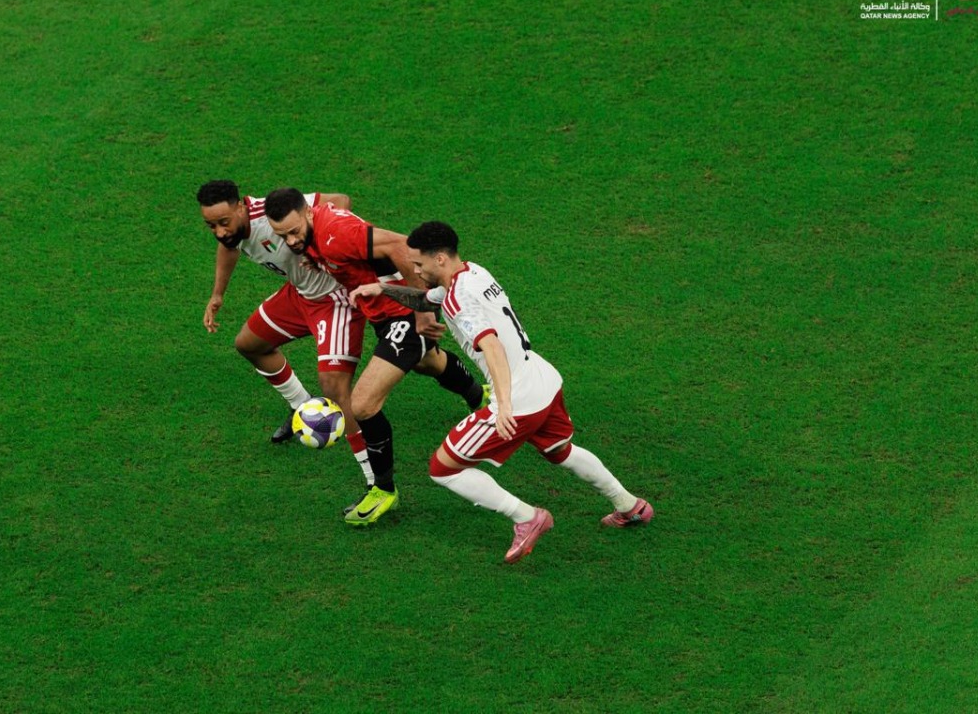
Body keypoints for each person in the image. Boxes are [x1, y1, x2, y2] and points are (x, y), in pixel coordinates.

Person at [350, 221, 653, 564]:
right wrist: (381, 288)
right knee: (560, 450)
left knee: (443, 468)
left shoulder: (458, 299)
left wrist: (504, 406)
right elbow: (425, 298)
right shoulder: (473, 273)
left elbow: (491, 346)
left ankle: (527, 517)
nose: (415, 271)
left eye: (419, 264)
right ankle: (630, 505)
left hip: (518, 396)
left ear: (440, 259)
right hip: (542, 378)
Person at [264, 189, 487, 526]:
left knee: (362, 405)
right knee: (428, 362)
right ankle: (478, 396)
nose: (291, 241)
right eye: (283, 236)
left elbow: (400, 245)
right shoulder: (312, 233)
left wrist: (422, 307)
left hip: (403, 312)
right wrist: (313, 256)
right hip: (382, 314)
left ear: (308, 212)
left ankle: (383, 490)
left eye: (294, 232)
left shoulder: (336, 233)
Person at [196, 180, 374, 488]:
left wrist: (318, 248)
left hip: (335, 299)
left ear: (241, 207)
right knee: (249, 344)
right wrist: (217, 294)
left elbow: (341, 200)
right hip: (300, 295)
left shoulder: (273, 213)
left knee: (334, 386)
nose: (220, 232)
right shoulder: (234, 232)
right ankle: (301, 406)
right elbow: (228, 247)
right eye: (211, 226)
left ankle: (375, 479)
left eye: (224, 222)